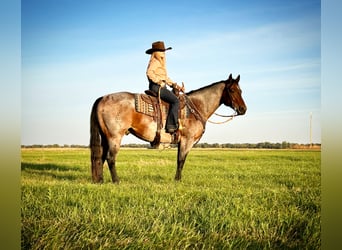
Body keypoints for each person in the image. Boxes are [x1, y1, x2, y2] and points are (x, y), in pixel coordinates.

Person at [145, 41, 184, 133]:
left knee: (174, 97)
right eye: (161, 51)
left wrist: (176, 86)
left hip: (162, 86)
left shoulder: (161, 64)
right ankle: (171, 126)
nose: (163, 53)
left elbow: (166, 78)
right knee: (175, 101)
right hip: (156, 87)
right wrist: (158, 81)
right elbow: (149, 73)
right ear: (156, 52)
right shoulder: (155, 62)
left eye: (164, 51)